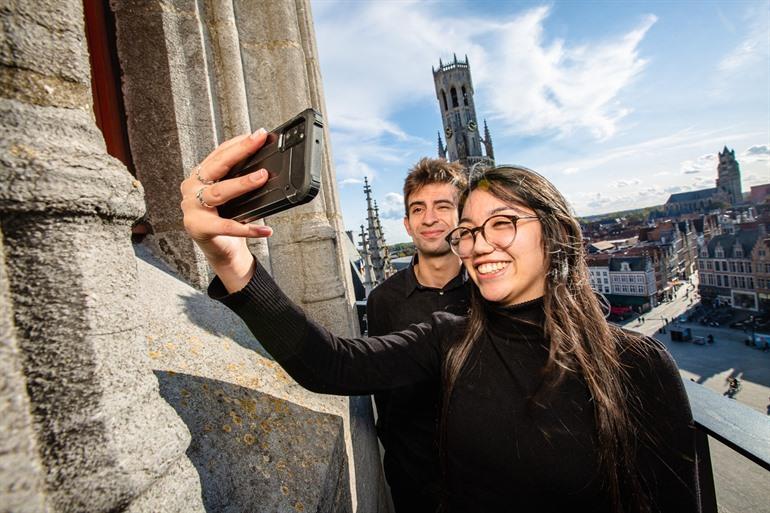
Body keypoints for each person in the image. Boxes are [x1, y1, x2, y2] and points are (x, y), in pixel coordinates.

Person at [180, 130, 700, 512]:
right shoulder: (450, 337)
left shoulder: (636, 364)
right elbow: (330, 365)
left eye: (503, 223)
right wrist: (233, 262)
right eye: (470, 230)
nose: (480, 243)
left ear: (554, 233)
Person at [365, 158, 469, 512]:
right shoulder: (383, 301)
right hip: (415, 485)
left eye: (443, 207)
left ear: (463, 219)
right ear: (407, 224)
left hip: (487, 482)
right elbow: (383, 394)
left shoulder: (488, 292)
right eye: (418, 209)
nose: (429, 219)